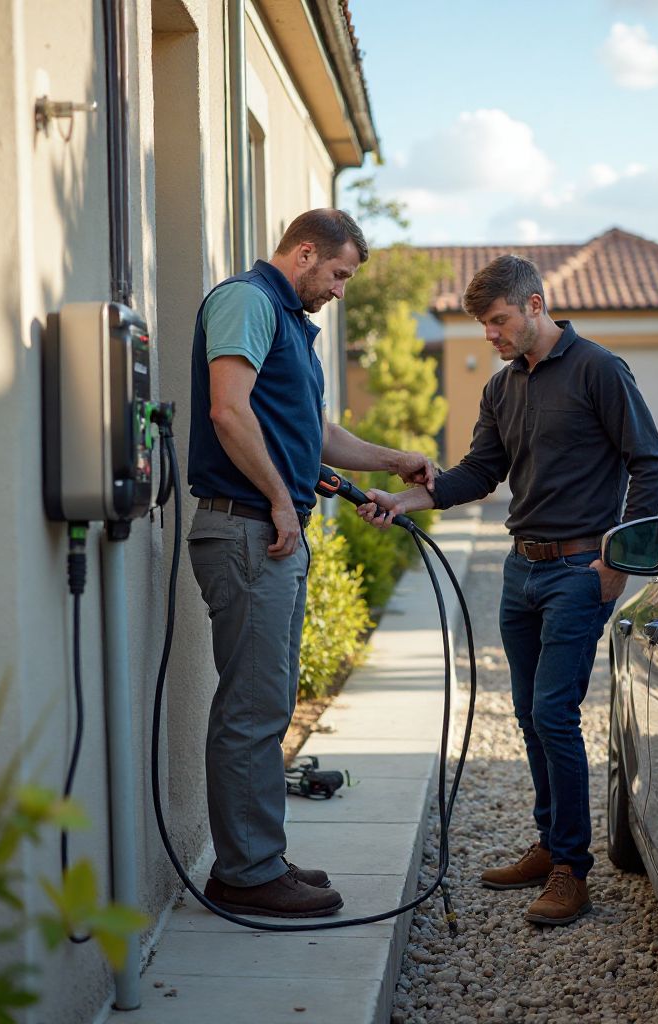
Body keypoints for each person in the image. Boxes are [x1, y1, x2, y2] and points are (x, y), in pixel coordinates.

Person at [359, 254, 658, 927]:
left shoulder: (599, 370)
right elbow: (478, 472)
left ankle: (571, 869)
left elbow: (651, 465)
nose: (490, 336)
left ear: (535, 305)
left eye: (497, 321)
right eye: (484, 326)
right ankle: (549, 841)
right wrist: (402, 499)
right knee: (529, 713)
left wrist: (620, 562)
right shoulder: (501, 389)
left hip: (580, 572)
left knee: (554, 713)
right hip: (521, 570)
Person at [186, 208, 436, 918]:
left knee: (269, 702)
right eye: (338, 273)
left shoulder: (292, 323)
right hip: (246, 530)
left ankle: (258, 857)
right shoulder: (246, 300)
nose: (340, 289)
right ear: (303, 253)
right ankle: (246, 873)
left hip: (269, 532)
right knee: (252, 707)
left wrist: (393, 461)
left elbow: (311, 431)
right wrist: (280, 497)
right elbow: (228, 412)